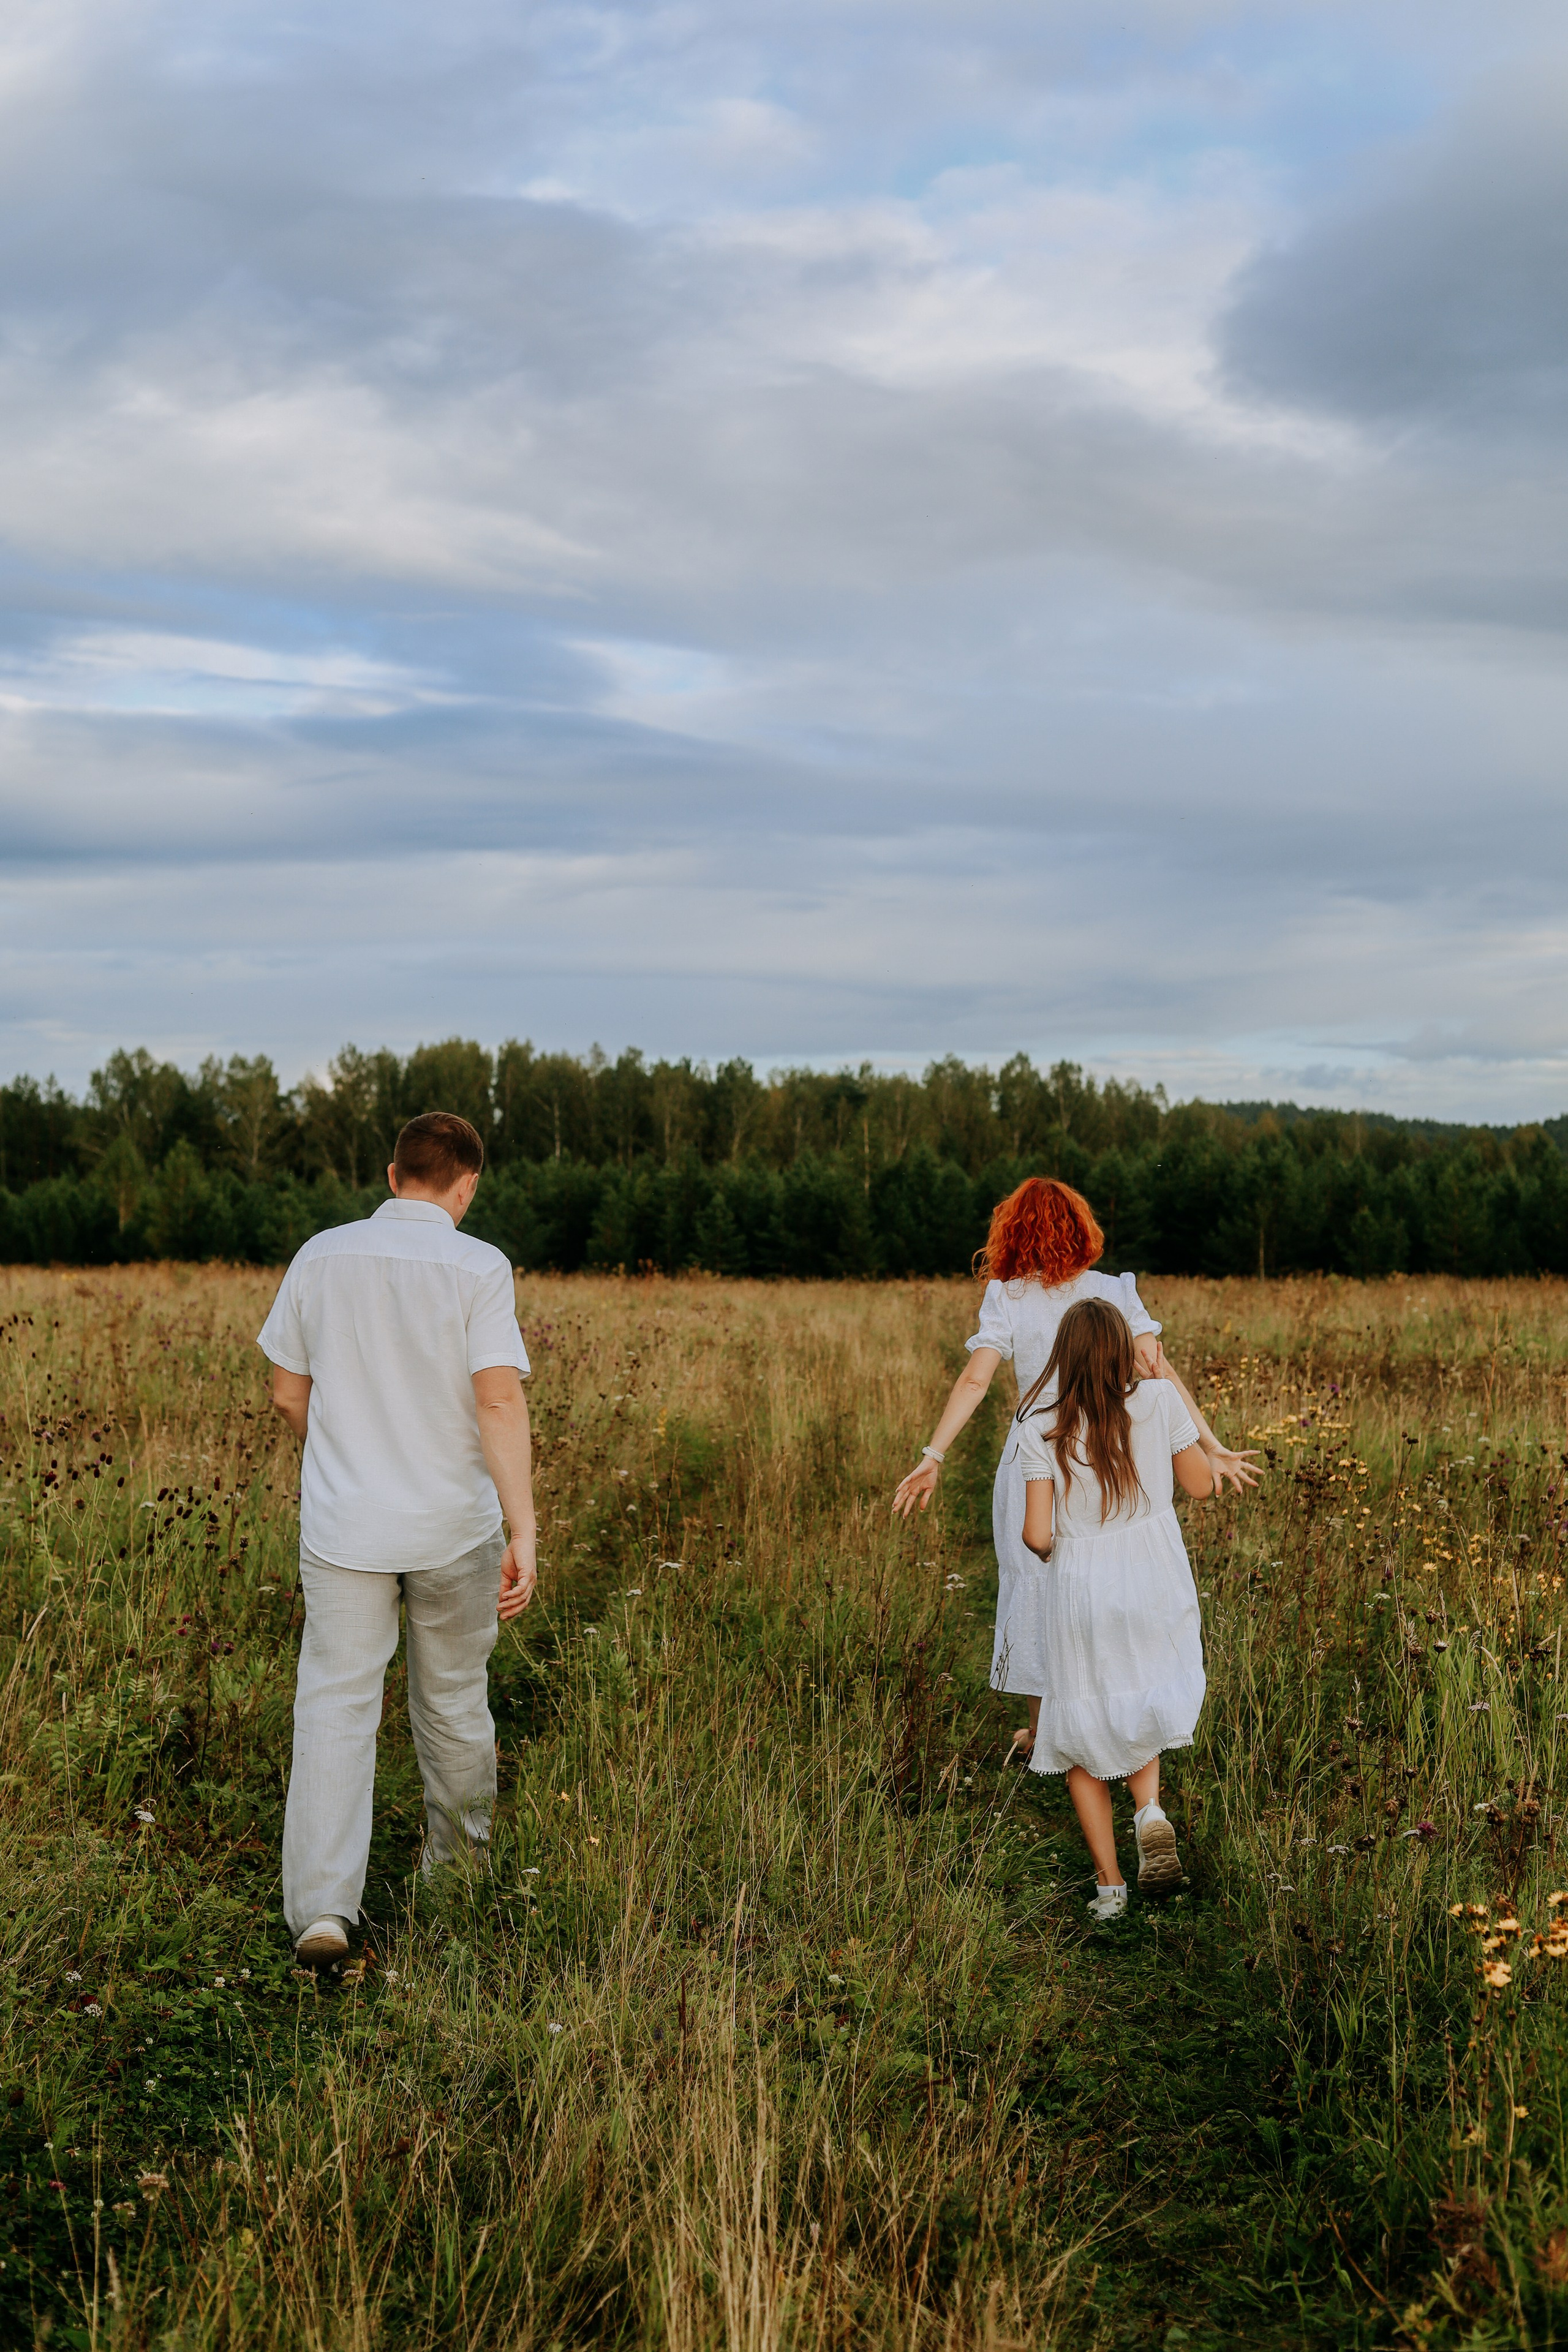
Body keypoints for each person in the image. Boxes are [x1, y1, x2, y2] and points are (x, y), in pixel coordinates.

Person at [258, 1110, 538, 1964]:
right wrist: (525, 1526)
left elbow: (284, 1392)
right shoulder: (478, 1266)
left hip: (346, 1525)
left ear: (392, 1176)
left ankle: (322, 1912)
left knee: (335, 1704)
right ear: (467, 1185)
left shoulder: (320, 1255)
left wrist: (345, 1454)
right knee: (452, 1700)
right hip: (454, 1526)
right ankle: (454, 1883)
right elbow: (497, 1401)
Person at [891, 1176, 1254, 1762]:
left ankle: (1043, 1734)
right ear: (1081, 1227)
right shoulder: (1114, 1289)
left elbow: (976, 1379)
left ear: (1012, 1232)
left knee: (1034, 1583)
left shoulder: (1008, 1295)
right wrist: (1209, 1444)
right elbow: (1158, 1370)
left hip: (1035, 1454)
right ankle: (1119, 1712)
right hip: (1107, 1455)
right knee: (1108, 1577)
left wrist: (933, 1457)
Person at [1016, 1297, 1213, 1918]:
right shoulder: (1157, 1402)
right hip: (1153, 1578)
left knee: (1079, 1735)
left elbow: (1036, 1536)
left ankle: (1110, 1891)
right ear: (1123, 1351)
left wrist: (1062, 1548)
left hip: (1083, 1585)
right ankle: (1149, 1811)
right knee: (1140, 1696)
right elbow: (1201, 1485)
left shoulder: (1038, 1426)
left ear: (1064, 1356)